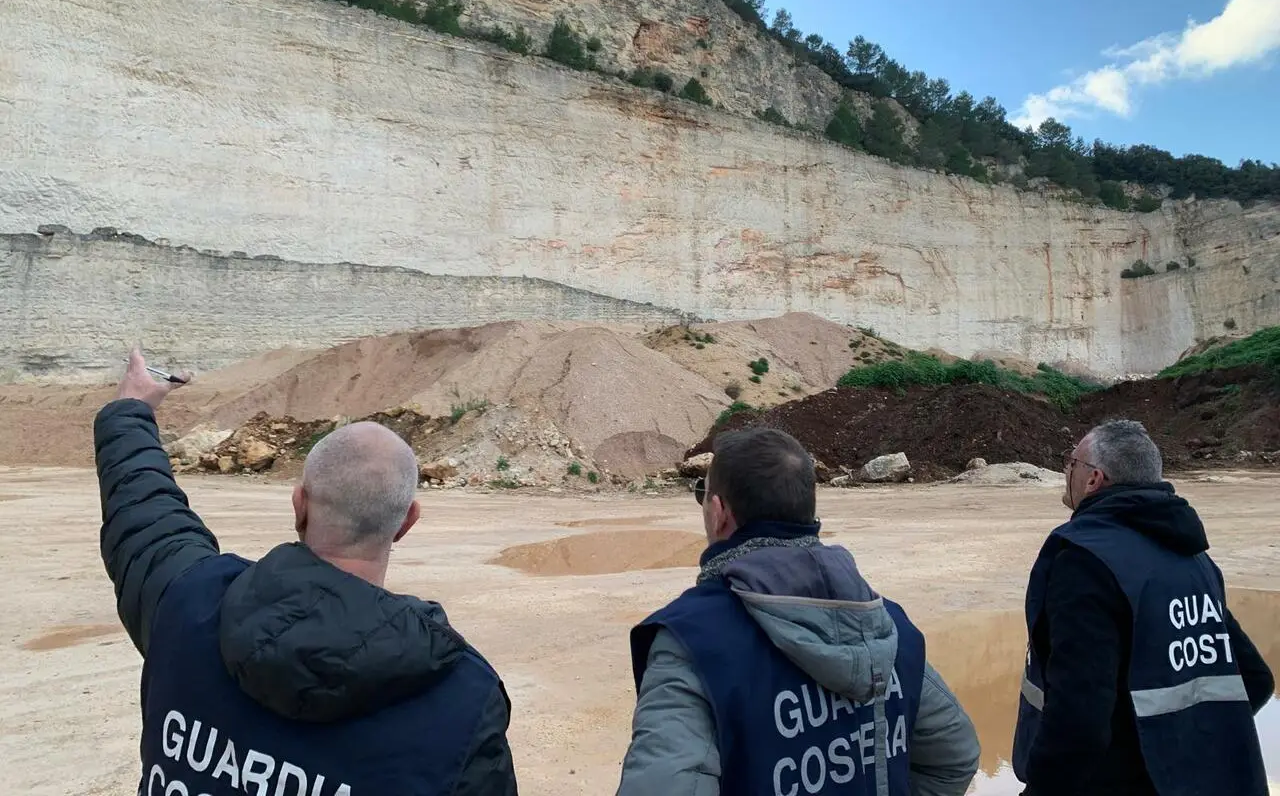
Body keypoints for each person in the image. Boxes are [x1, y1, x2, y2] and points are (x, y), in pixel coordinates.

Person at [96, 347, 518, 796]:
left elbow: (143, 511)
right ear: (406, 522)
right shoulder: (464, 702)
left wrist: (131, 410)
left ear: (300, 505)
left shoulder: (188, 599)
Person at [617, 426, 981, 796]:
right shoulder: (889, 624)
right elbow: (955, 758)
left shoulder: (691, 641)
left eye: (703, 494)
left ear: (718, 511)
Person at [1012, 419, 1274, 796]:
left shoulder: (1085, 561)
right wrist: (1177, 748)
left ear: (1093, 479)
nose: (1065, 472)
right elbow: (1255, 679)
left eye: (1071, 463)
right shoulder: (1193, 559)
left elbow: (1080, 717)